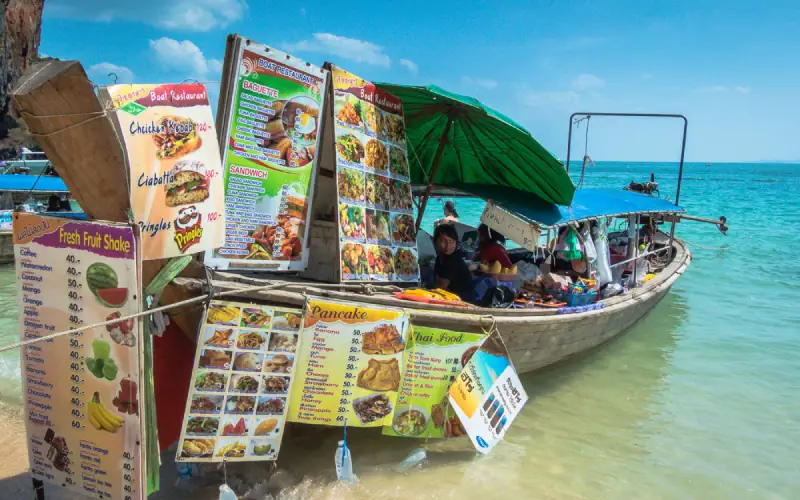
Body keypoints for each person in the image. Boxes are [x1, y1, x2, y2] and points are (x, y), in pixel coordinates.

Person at [433, 223, 475, 303]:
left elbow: (441, 287)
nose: (448, 245)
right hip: (454, 297)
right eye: (443, 241)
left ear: (456, 243)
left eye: (451, 241)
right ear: (435, 242)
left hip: (464, 301)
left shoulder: (452, 259)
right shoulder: (439, 258)